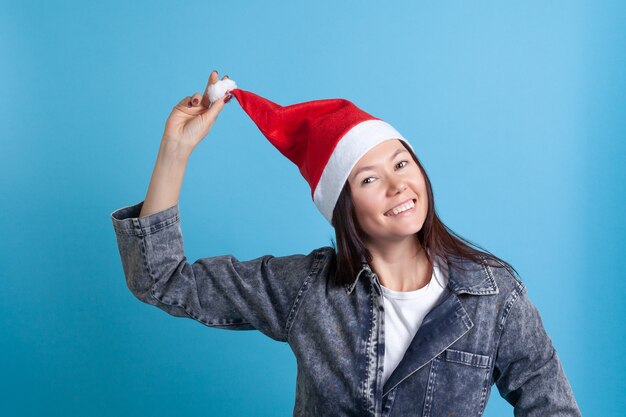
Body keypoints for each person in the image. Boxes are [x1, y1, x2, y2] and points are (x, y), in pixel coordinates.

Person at [110, 70, 581, 416]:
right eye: (369, 179)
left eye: (401, 164)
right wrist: (175, 150)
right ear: (343, 207)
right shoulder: (305, 288)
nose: (397, 187)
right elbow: (163, 281)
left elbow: (552, 405)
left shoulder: (492, 295)